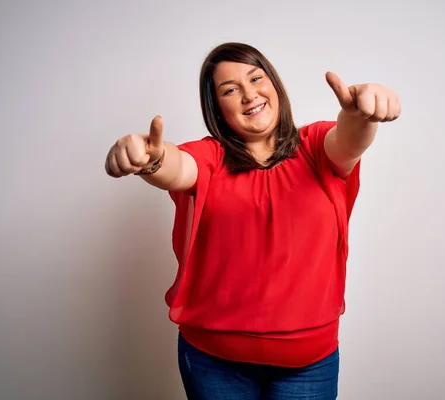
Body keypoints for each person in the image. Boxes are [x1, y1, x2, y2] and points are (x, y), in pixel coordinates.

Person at [105, 42, 400, 400]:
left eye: (256, 78)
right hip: (214, 362)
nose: (249, 94)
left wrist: (362, 113)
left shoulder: (317, 147)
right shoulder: (210, 157)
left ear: (273, 84)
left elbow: (349, 139)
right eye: (230, 90)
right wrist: (149, 159)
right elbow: (176, 166)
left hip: (308, 364)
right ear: (217, 107)